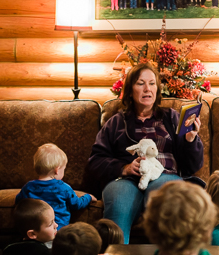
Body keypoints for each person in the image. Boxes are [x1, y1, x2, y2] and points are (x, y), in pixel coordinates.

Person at [86, 63, 204, 243]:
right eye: (140, 83)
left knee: (165, 198)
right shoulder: (116, 122)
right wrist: (123, 168)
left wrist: (190, 139)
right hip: (126, 181)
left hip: (165, 176)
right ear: (130, 90)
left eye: (152, 83)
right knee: (119, 202)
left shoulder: (171, 118)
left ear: (157, 89)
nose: (147, 89)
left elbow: (193, 166)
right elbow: (95, 161)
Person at [15, 143, 96, 229]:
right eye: (63, 169)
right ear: (57, 170)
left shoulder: (28, 187)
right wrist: (88, 197)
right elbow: (76, 204)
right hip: (59, 229)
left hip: (36, 228)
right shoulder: (64, 188)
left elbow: (18, 201)